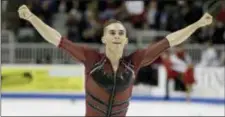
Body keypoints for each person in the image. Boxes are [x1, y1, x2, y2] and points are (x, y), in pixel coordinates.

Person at [18, 5, 213, 117]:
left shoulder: (134, 61)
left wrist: (197, 24)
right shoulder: (91, 57)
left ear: (126, 39)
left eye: (121, 33)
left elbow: (170, 40)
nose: (117, 35)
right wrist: (32, 17)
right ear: (103, 38)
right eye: (112, 32)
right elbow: (57, 39)